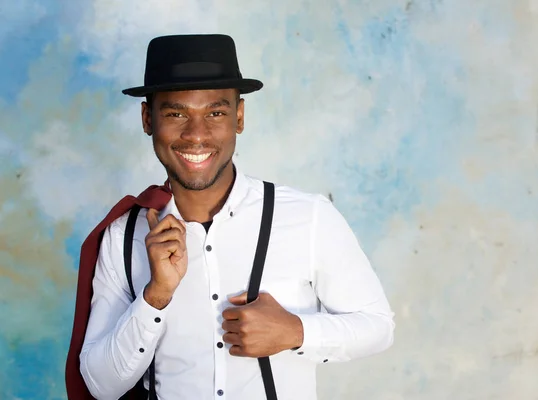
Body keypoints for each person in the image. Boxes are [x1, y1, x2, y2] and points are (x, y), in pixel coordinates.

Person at [65, 34, 395, 400]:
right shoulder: (123, 236)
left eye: (215, 113)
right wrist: (154, 297)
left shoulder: (309, 217)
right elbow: (99, 386)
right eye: (176, 113)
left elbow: (378, 327)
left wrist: (296, 331)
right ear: (147, 119)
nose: (196, 135)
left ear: (239, 117)